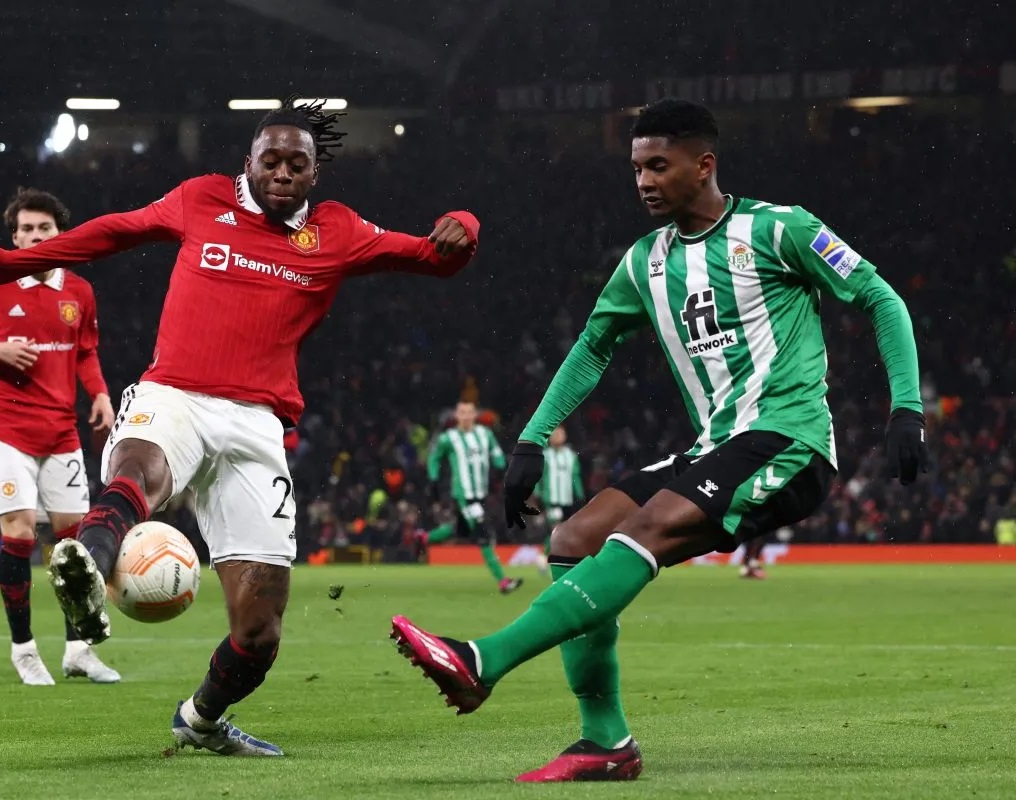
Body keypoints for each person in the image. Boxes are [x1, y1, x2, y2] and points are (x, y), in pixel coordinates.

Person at [388, 99, 928, 782]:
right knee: (575, 540)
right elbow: (592, 348)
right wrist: (529, 440)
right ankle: (605, 742)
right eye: (636, 167)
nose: (643, 180)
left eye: (658, 165)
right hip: (713, 445)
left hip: (787, 440)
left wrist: (906, 408)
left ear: (704, 165)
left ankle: (480, 660)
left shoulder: (779, 229)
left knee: (648, 526)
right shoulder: (644, 262)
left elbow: (881, 297)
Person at [0, 97, 480, 755]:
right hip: (177, 394)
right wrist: (9, 262)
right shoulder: (202, 200)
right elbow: (110, 232)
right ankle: (90, 564)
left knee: (261, 630)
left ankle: (200, 719)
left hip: (258, 426)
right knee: (143, 464)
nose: (281, 173)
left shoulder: (337, 230)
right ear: (246, 162)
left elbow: (436, 256)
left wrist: (463, 223)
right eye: (269, 160)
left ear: (314, 174)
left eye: (295, 164)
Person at [0, 188, 119, 686]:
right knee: (19, 532)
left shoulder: (79, 291)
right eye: (25, 230)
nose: (34, 237)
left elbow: (85, 351)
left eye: (43, 229)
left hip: (61, 430)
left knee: (73, 544)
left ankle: (79, 651)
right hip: (5, 428)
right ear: (14, 236)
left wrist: (100, 395)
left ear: (60, 235)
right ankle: (23, 649)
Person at [425, 401, 522, 594]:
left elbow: (497, 456)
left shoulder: (485, 435)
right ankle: (503, 581)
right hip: (464, 495)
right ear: (456, 415)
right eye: (462, 412)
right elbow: (434, 458)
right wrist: (434, 479)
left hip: (481, 493)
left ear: (475, 414)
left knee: (458, 529)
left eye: (470, 412)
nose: (466, 416)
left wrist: (501, 467)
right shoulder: (449, 438)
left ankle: (423, 538)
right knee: (483, 534)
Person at [534, 426, 585, 575]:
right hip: (552, 499)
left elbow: (575, 476)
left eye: (561, 433)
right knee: (556, 529)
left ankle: (550, 557)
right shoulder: (545, 455)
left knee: (563, 531)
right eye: (555, 434)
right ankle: (544, 557)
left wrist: (580, 495)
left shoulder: (571, 455)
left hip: (567, 499)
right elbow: (538, 476)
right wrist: (538, 494)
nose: (558, 436)